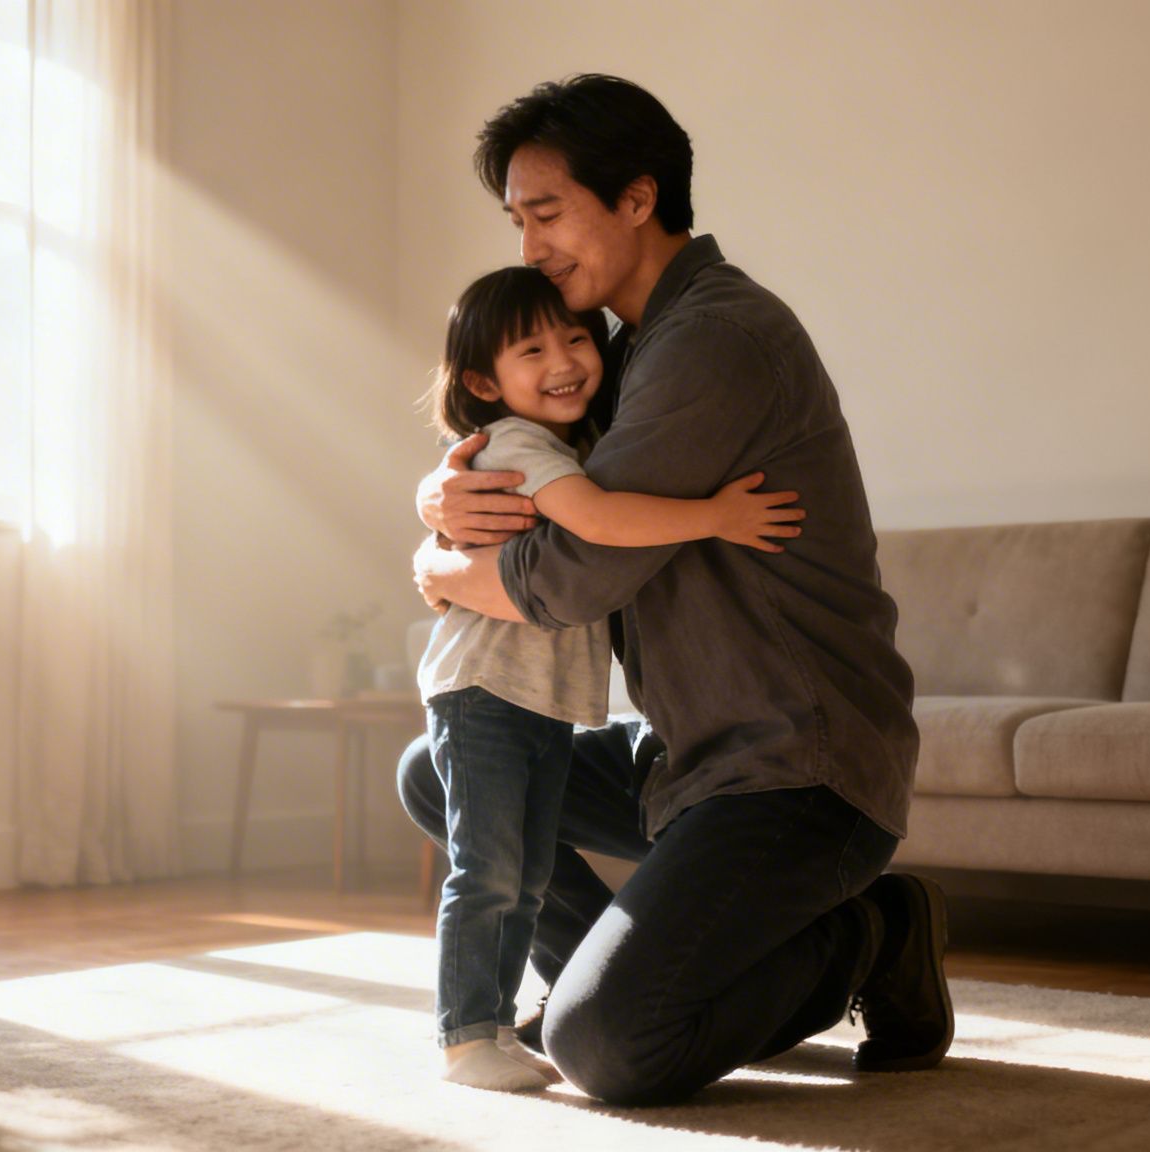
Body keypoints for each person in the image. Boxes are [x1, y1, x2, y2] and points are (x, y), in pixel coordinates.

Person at [402, 73, 949, 1106]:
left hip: (796, 765)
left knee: (612, 1050)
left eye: (547, 214)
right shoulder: (613, 354)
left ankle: (870, 936)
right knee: (439, 772)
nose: (530, 250)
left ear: (638, 199)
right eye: (517, 224)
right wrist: (442, 497)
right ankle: (597, 979)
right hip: (687, 754)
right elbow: (510, 471)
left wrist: (438, 567)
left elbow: (575, 572)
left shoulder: (711, 341)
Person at [416, 265, 804, 1092]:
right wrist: (715, 517)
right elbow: (595, 521)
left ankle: (498, 1023)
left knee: (521, 875)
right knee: (487, 870)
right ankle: (463, 1036)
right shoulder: (520, 445)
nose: (565, 358)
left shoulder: (572, 447)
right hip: (484, 690)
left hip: (539, 701)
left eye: (576, 336)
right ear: (485, 382)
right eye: (533, 347)